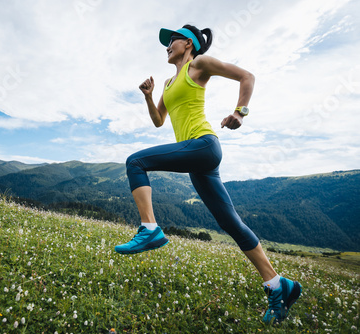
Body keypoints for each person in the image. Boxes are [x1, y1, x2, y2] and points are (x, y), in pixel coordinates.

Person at [114, 24, 301, 324]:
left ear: (188, 43)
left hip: (203, 145)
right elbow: (159, 121)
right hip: (196, 158)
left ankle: (149, 229)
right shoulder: (167, 81)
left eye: (171, 40)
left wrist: (240, 112)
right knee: (231, 223)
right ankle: (279, 285)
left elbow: (247, 77)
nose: (167, 46)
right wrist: (149, 97)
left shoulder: (198, 65)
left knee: (135, 162)